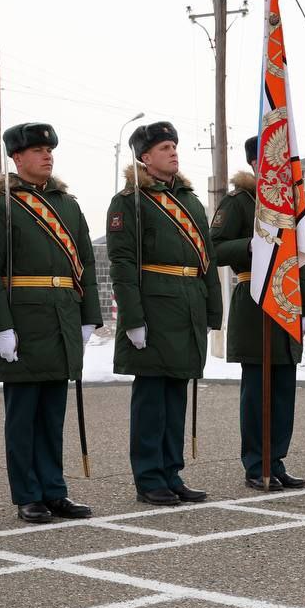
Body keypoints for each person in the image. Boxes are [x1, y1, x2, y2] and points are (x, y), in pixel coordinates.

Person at [0, 123, 101, 523]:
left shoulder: (67, 204)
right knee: (24, 414)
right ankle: (27, 493)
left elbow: (87, 265)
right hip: (24, 319)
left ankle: (54, 490)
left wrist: (88, 315)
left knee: (51, 413)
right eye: (38, 150)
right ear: (17, 157)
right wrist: (1, 328)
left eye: (49, 149)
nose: (47, 156)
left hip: (61, 314)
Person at [106, 121, 222, 505]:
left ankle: (172, 472)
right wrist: (133, 320)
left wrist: (211, 308)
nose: (173, 152)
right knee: (152, 398)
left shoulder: (188, 200)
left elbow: (206, 258)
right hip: (154, 308)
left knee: (177, 395)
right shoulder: (131, 200)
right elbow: (122, 265)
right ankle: (149, 476)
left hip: (187, 303)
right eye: (164, 147)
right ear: (145, 157)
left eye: (174, 145)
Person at [211, 136, 305, 490]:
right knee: (258, 391)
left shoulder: (289, 205)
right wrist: (250, 245)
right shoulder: (240, 202)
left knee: (283, 388)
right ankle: (257, 463)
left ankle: (277, 459)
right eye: (274, 161)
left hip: (287, 302)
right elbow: (214, 249)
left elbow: (299, 260)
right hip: (255, 302)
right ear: (257, 164)